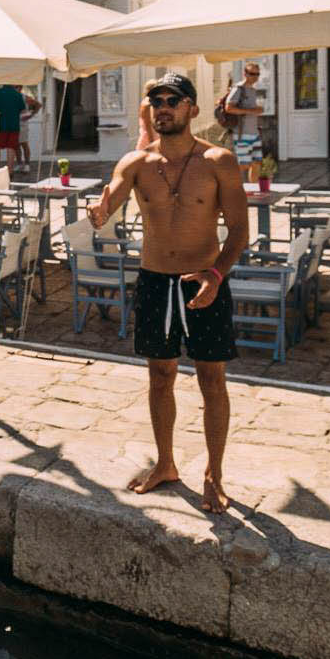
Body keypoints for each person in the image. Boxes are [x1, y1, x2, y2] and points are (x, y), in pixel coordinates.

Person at [89, 72, 248, 512]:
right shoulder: (136, 163)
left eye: (172, 99)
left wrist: (216, 277)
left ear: (192, 108)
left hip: (205, 279)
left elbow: (239, 231)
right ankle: (165, 463)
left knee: (211, 379)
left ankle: (214, 473)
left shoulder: (219, 161)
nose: (163, 107)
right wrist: (100, 211)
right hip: (156, 281)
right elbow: (112, 199)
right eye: (156, 100)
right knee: (160, 377)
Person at [221, 61, 267, 183]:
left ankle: (254, 191)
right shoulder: (238, 89)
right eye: (252, 73)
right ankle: (227, 184)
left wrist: (258, 110)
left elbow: (254, 109)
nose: (255, 77)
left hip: (254, 132)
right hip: (241, 133)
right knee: (244, 164)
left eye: (257, 74)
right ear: (245, 74)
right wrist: (251, 111)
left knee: (256, 162)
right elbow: (228, 108)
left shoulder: (253, 90)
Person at [0, 83, 38, 168]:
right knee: (11, 148)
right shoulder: (18, 95)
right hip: (14, 125)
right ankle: (10, 170)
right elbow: (22, 110)